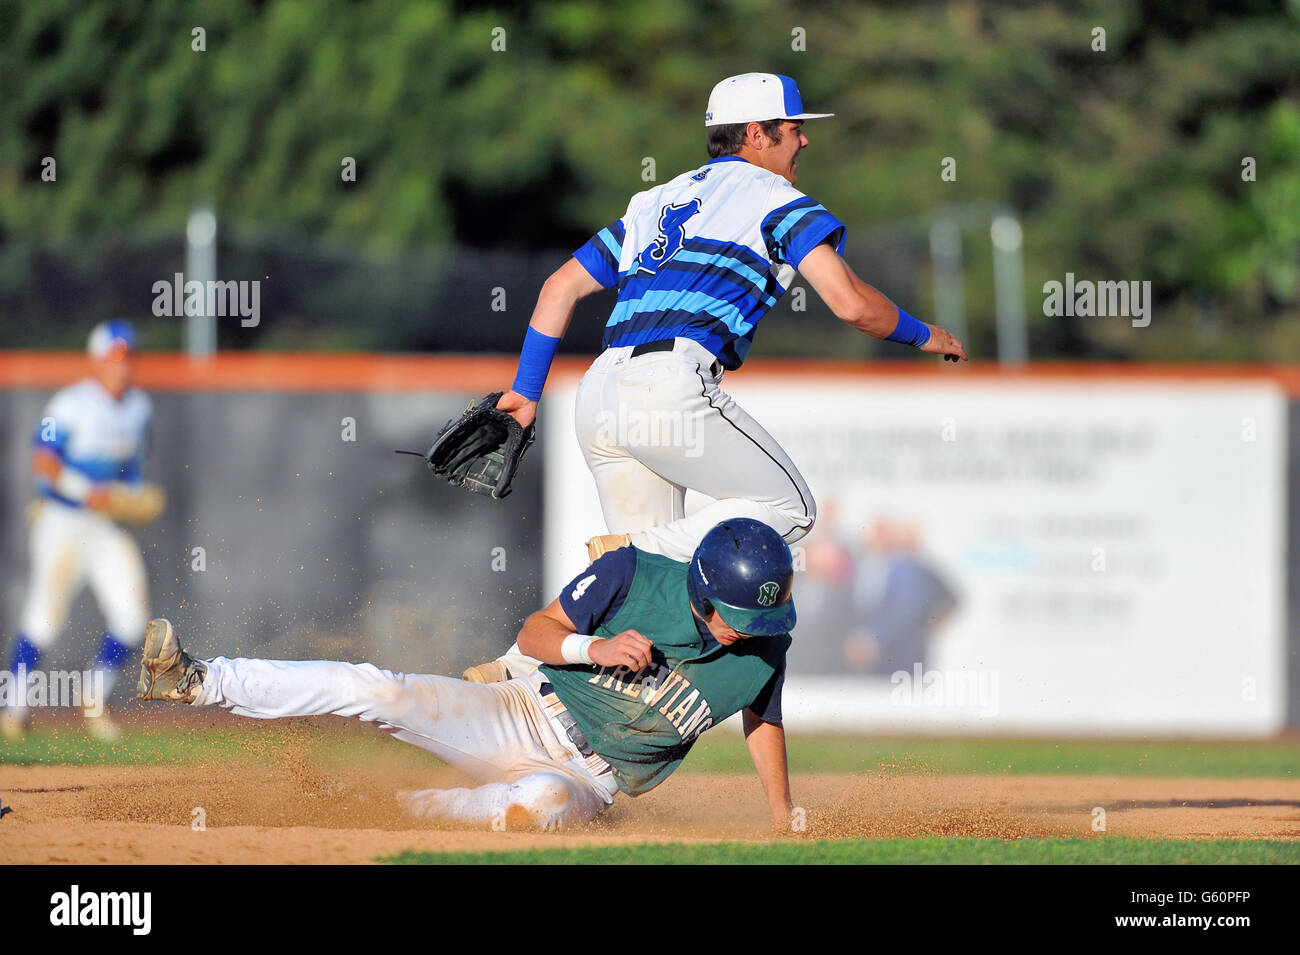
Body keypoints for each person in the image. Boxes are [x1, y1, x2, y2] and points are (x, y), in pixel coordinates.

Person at [465, 72, 966, 683]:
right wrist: (925, 334)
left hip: (599, 392)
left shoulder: (654, 202)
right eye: (793, 129)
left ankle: (518, 673)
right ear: (757, 134)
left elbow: (559, 287)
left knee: (640, 605)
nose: (803, 142)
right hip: (669, 384)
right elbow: (852, 305)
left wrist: (525, 390)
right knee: (793, 507)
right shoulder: (774, 199)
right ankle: (629, 558)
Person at [136, 518, 799, 832]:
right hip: (523, 709)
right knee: (376, 687)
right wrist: (591, 647)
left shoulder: (765, 648)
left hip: (588, 779)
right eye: (732, 613)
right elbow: (534, 634)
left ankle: (387, 810)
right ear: (702, 586)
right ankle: (197, 679)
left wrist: (780, 814)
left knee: (535, 808)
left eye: (756, 620)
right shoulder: (632, 573)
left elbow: (762, 717)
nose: (741, 629)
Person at [1, 320, 161, 741]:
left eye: (130, 357)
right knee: (45, 619)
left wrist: (132, 496)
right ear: (98, 360)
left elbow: (132, 471)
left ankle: (94, 701)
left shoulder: (140, 409)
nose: (124, 367)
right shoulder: (68, 405)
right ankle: (13, 709)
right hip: (63, 522)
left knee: (133, 617)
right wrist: (88, 493)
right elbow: (43, 465)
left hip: (105, 527)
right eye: (116, 358)